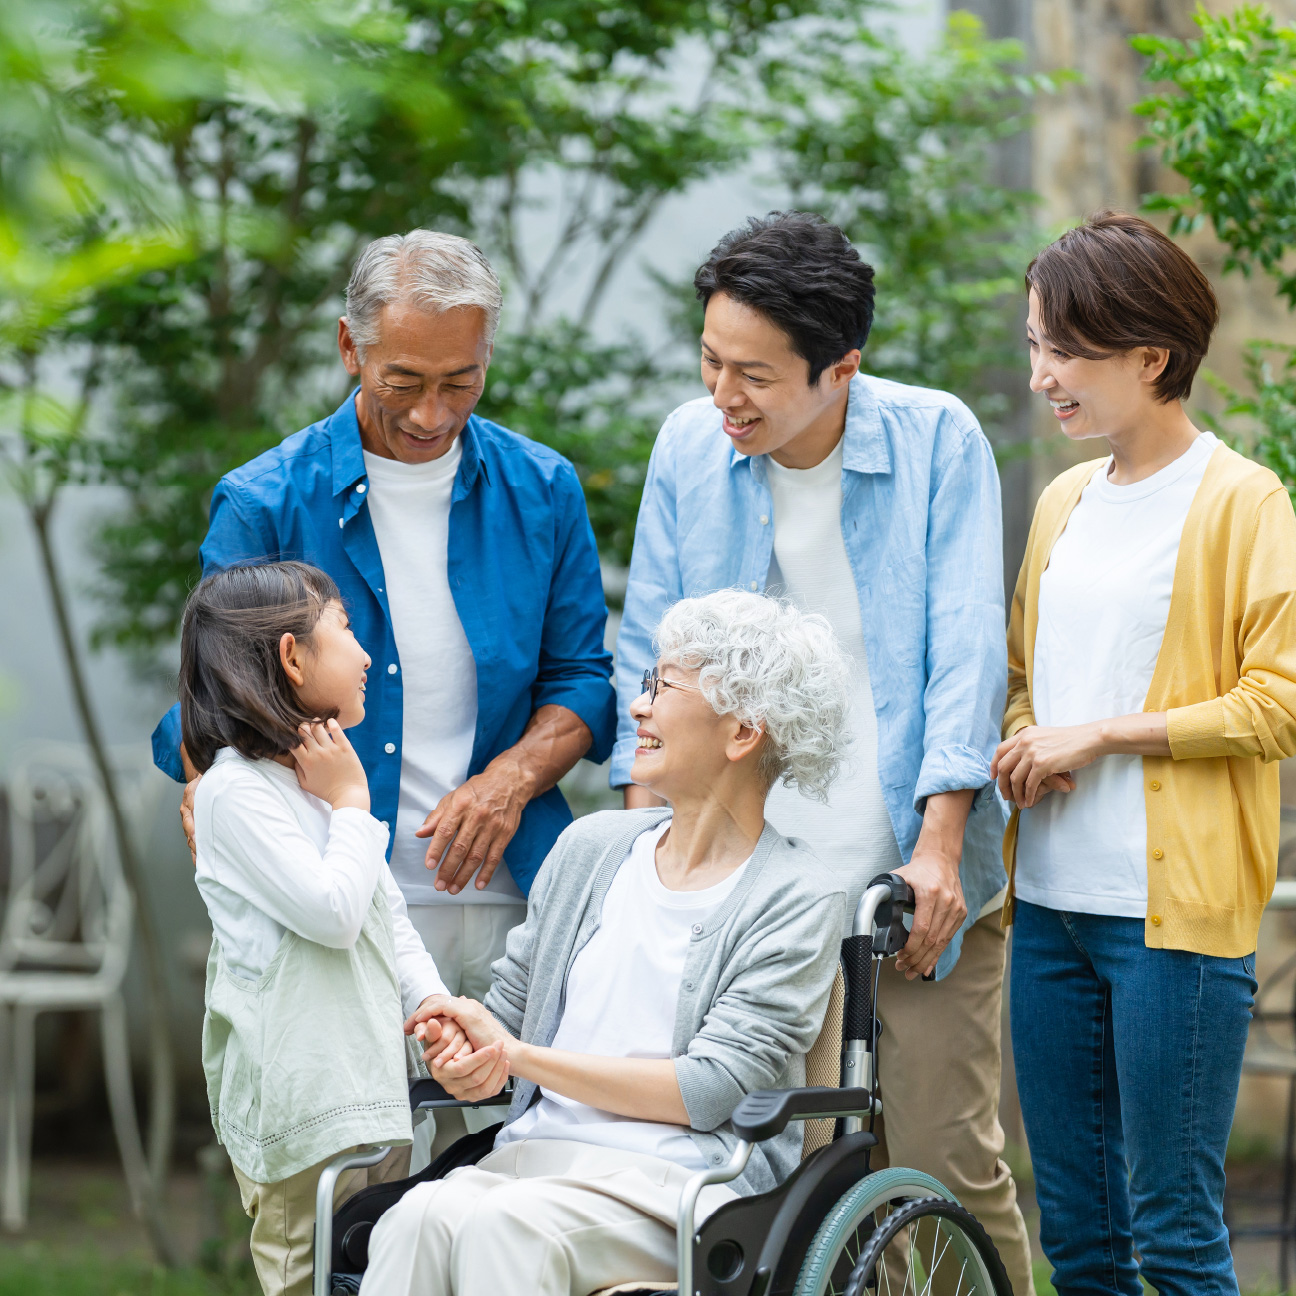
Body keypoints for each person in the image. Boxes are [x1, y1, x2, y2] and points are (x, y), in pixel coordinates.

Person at [613, 211, 1034, 1292]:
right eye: (710, 361)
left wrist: (939, 847)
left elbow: (966, 654)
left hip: (911, 865)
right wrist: (639, 843)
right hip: (758, 885)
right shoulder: (687, 449)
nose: (723, 396)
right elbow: (650, 651)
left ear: (841, 368)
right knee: (791, 1189)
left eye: (753, 374)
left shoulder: (937, 439)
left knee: (943, 1164)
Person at [154, 230, 616, 1146]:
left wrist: (511, 778)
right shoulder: (265, 501)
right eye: (403, 380)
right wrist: (209, 768)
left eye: (462, 381)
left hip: (510, 904)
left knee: (505, 1171)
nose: (433, 412)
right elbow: (203, 711)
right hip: (337, 914)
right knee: (352, 1186)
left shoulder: (543, 489)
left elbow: (583, 681)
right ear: (348, 347)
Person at [359, 590, 851, 1296]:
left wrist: (519, 1056)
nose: (640, 707)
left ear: (743, 732)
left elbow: (712, 1090)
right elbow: (510, 1015)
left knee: (507, 1231)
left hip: (682, 1185)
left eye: (665, 687)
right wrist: (471, 1053)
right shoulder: (590, 848)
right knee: (415, 1218)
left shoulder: (796, 895)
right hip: (534, 1159)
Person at [995, 210, 1296, 1296]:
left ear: (1151, 357)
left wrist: (1106, 732)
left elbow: (1280, 701)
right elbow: (1030, 674)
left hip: (1171, 927)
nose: (1041, 377)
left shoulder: (1243, 500)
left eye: (1063, 351)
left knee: (1174, 1235)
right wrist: (1032, 738)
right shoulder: (1064, 502)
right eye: (1035, 345)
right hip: (1054, 912)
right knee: (1077, 1238)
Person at [180, 561, 471, 1296]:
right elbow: (333, 915)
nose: (368, 654)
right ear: (291, 656)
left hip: (374, 1098)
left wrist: (432, 1004)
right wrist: (349, 803)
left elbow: (385, 919)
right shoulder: (232, 794)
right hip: (306, 1115)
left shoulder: (318, 788)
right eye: (345, 628)